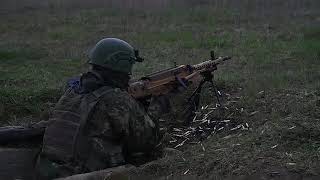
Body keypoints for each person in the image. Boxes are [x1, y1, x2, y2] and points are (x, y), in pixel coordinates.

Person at [35, 38, 163, 179]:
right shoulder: (116, 99)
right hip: (83, 174)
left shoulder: (73, 87)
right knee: (142, 166)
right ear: (123, 64)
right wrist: (158, 105)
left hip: (46, 168)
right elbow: (147, 142)